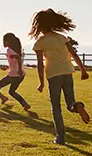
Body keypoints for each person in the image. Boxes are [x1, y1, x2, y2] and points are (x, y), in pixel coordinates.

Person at [30, 8, 90, 144]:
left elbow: (40, 64)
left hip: (53, 75)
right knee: (70, 103)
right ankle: (78, 105)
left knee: (56, 107)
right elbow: (73, 54)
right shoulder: (62, 37)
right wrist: (83, 70)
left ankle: (60, 138)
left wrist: (41, 83)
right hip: (67, 72)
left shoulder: (40, 42)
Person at [0, 33, 30, 110]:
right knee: (12, 92)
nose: (3, 42)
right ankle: (25, 104)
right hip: (21, 75)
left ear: (8, 41)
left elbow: (18, 59)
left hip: (14, 75)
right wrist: (7, 67)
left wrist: (19, 69)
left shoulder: (9, 50)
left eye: (4, 40)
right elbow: (16, 61)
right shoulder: (17, 50)